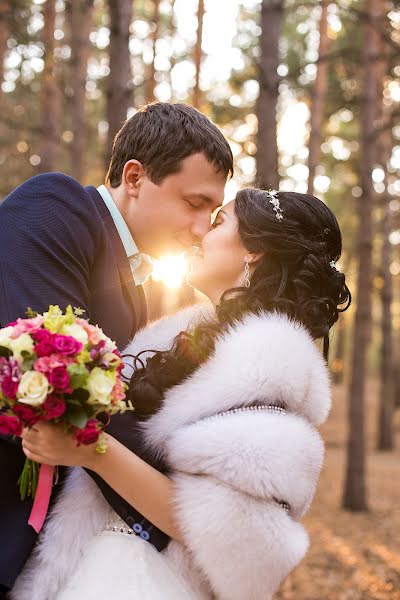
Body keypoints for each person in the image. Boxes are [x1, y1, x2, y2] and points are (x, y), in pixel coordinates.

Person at [15, 188, 351, 600]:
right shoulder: (179, 340)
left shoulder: (266, 368)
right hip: (80, 560)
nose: (198, 235)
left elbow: (228, 531)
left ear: (255, 252)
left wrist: (91, 452)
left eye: (217, 223)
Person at [0, 102, 233, 595]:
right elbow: (45, 373)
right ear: (134, 177)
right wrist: (184, 497)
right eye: (193, 203)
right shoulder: (56, 208)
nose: (199, 230)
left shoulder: (139, 286)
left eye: (212, 214)